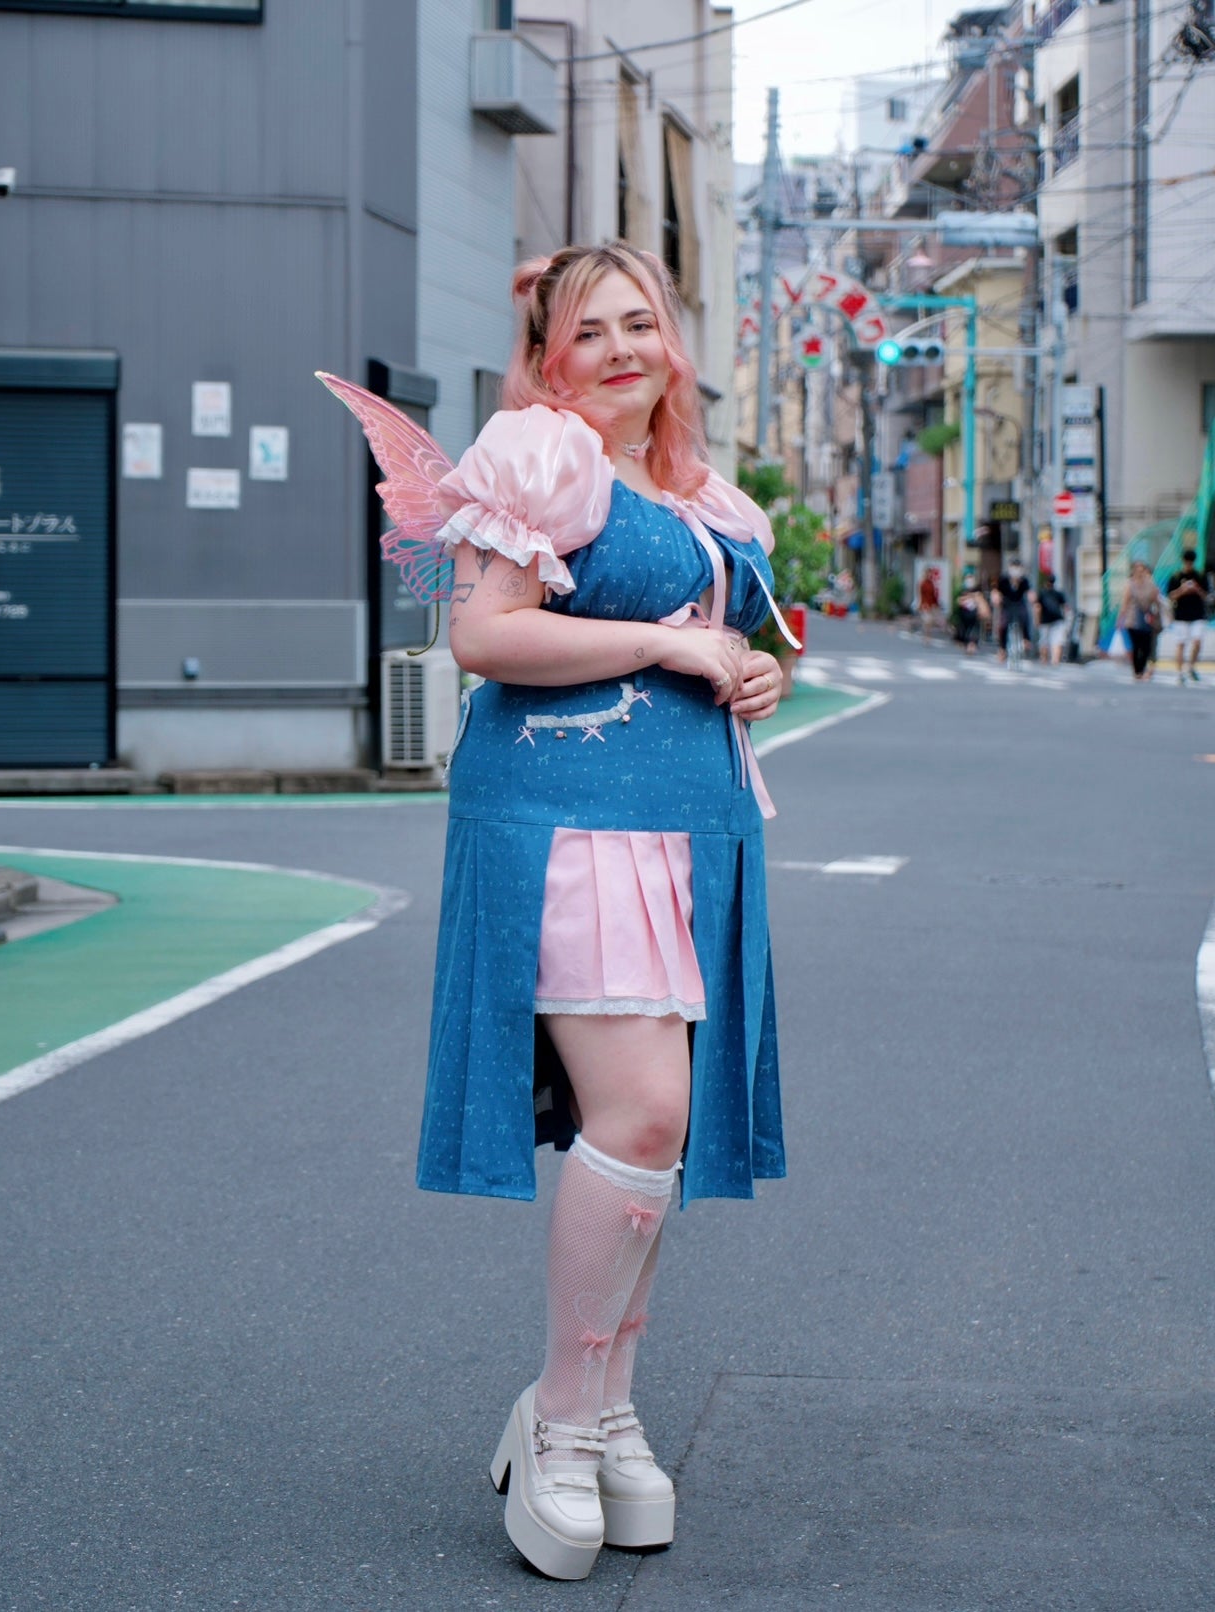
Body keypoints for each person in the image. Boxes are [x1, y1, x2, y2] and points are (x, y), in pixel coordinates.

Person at [420, 244, 788, 1580]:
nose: (623, 349)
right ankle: (566, 1424)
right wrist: (666, 642)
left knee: (653, 1133)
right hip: (568, 820)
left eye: (645, 323)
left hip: (692, 825)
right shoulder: (541, 456)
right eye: (591, 331)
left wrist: (749, 674)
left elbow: (733, 642)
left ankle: (604, 1405)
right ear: (547, 356)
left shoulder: (697, 497)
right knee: (637, 1116)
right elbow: (485, 635)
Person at [1166, 547, 1207, 684]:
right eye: (1187, 562)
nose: (1189, 565)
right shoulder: (1176, 577)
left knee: (1197, 640)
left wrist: (1197, 589)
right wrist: (1182, 590)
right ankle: (1179, 672)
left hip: (1197, 614)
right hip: (1181, 614)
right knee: (1181, 643)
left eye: (1191, 562)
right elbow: (1170, 596)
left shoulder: (1200, 576)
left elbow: (1206, 595)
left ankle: (1191, 666)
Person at [1118, 559, 1161, 680]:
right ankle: (1138, 671)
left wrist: (1156, 614)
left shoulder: (1151, 584)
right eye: (1137, 570)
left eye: (1142, 570)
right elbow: (1125, 603)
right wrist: (1121, 618)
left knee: (1146, 646)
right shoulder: (1130, 584)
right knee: (1136, 646)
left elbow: (1156, 601)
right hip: (1132, 619)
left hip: (1147, 619)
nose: (1140, 572)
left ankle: (1141, 668)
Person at [991, 558, 1034, 664]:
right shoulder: (1003, 579)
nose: (1015, 570)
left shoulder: (1024, 580)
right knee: (1003, 624)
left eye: (1018, 567)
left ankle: (1026, 639)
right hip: (1007, 604)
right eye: (1014, 567)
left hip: (1019, 603)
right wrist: (996, 597)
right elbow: (996, 591)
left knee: (1025, 616)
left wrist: (1032, 597)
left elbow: (1029, 592)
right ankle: (1002, 649)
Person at [1034, 571, 1069, 665]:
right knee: (1057, 640)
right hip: (1058, 619)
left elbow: (1038, 608)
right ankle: (1055, 660)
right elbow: (1065, 608)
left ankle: (1044, 660)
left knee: (1043, 640)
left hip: (1044, 620)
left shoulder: (1041, 593)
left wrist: (1037, 620)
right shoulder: (1059, 593)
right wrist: (1066, 621)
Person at [954, 572, 989, 654]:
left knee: (974, 632)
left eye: (971, 579)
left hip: (975, 616)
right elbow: (959, 602)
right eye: (967, 579)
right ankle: (967, 645)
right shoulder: (962, 591)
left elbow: (982, 603)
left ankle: (972, 645)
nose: (969, 581)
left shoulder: (978, 591)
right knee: (964, 633)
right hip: (964, 616)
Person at [916, 565, 943, 641]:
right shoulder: (922, 583)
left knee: (930, 621)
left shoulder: (931, 583)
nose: (929, 575)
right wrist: (922, 604)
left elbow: (933, 595)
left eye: (930, 573)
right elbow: (921, 595)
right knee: (927, 620)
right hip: (925, 604)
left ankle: (928, 634)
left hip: (931, 605)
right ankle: (926, 636)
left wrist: (936, 604)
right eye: (928, 573)